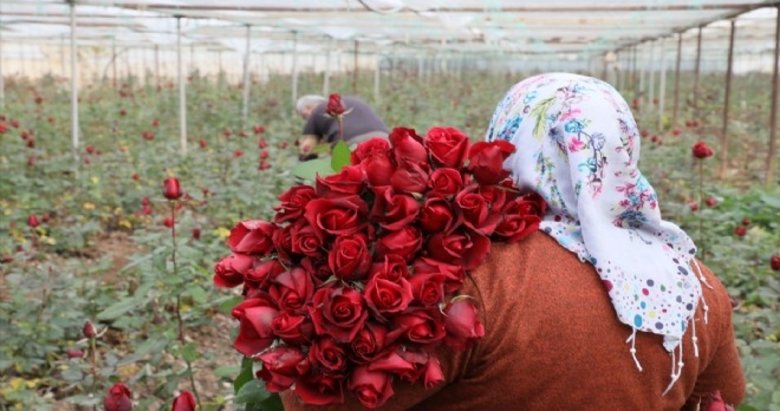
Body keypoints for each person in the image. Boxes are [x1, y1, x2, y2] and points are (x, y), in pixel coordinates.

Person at [281, 73, 745, 410]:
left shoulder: (470, 278)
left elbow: (325, 403)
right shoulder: (696, 288)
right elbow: (720, 400)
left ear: (506, 142)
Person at [296, 95, 389, 160]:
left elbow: (306, 150)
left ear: (309, 107)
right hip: (384, 139)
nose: (308, 118)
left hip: (351, 144)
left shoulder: (316, 111)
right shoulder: (354, 100)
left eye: (305, 116)